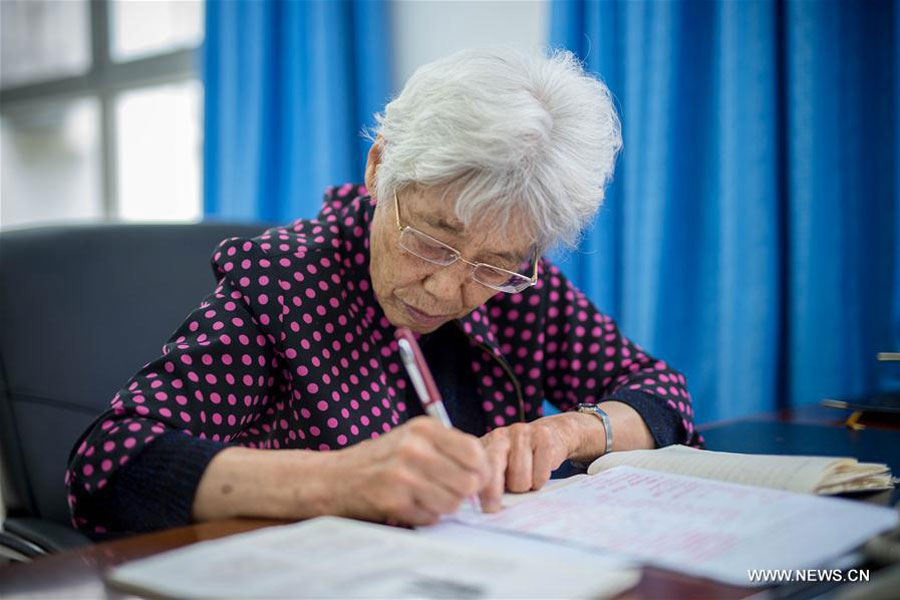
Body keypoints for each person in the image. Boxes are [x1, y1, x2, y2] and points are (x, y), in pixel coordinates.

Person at [67, 47, 702, 537]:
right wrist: (336, 481)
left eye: (494, 263)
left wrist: (567, 433)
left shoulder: (516, 287)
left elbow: (661, 397)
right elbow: (109, 465)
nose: (449, 288)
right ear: (380, 169)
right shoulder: (284, 284)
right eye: (433, 239)